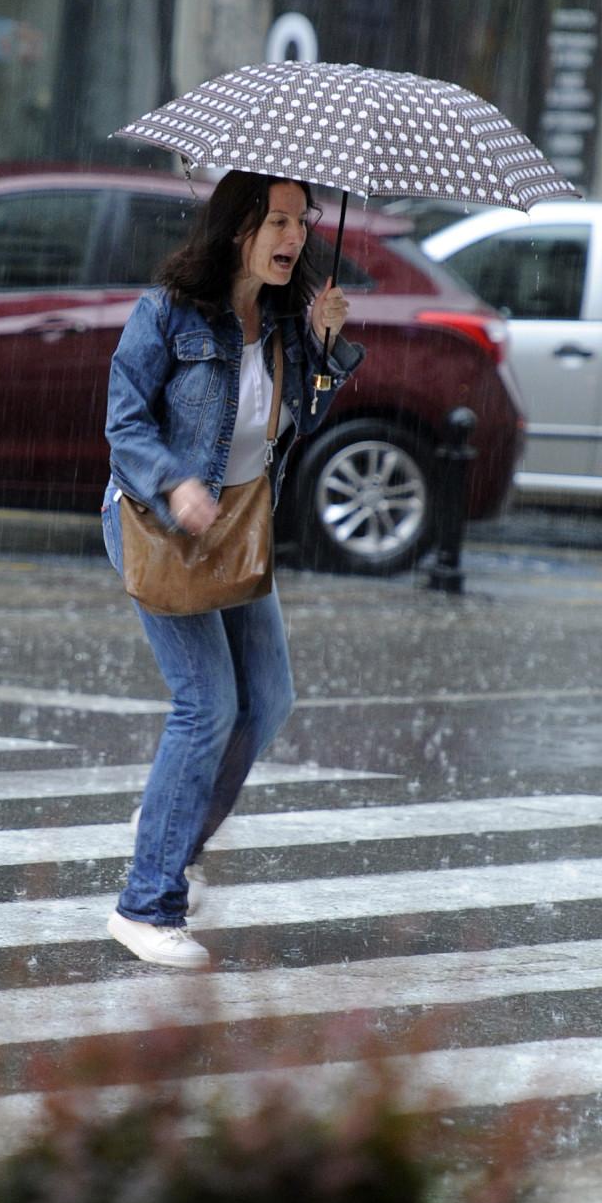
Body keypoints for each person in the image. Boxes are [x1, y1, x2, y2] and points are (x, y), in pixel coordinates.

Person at [101, 170, 364, 969]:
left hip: (237, 528)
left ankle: (177, 846)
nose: (295, 237)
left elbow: (302, 420)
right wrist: (175, 480)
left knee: (269, 697)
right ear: (238, 229)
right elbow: (122, 421)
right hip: (157, 523)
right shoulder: (169, 312)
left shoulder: (286, 320)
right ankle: (146, 904)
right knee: (206, 701)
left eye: (302, 220)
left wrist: (322, 346)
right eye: (277, 220)